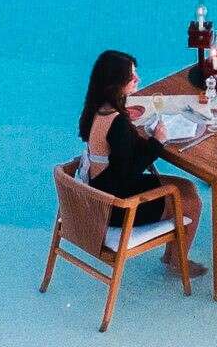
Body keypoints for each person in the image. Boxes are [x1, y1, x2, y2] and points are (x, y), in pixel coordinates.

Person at [76, 49, 202, 254]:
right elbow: (128, 172)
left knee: (187, 186)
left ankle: (172, 258)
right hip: (117, 206)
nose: (137, 78)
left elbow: (119, 158)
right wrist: (157, 142)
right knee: (192, 202)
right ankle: (177, 264)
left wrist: (141, 140)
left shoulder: (97, 109)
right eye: (131, 76)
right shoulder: (117, 124)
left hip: (101, 190)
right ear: (115, 82)